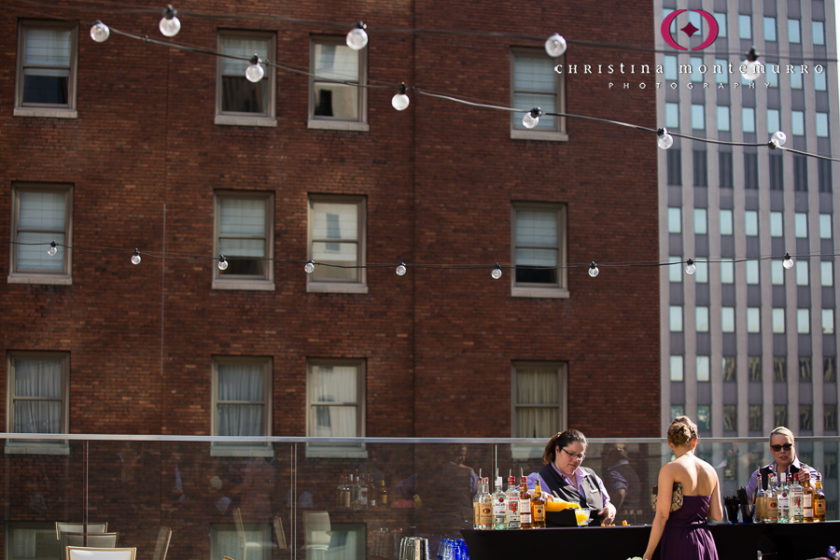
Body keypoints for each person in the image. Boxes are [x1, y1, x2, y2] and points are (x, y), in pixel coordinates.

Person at [642, 416, 722, 560]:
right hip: (705, 541)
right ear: (695, 441)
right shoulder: (710, 470)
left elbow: (662, 515)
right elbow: (717, 515)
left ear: (670, 443)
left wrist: (648, 553)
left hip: (678, 541)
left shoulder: (670, 469)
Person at [526, 429, 616, 525]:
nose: (575, 460)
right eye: (571, 454)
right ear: (557, 450)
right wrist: (530, 494)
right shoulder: (538, 479)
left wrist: (611, 510)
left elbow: (606, 503)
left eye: (579, 456)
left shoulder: (591, 475)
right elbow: (515, 500)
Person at [744, 426, 822, 502]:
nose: (782, 451)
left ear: (793, 446)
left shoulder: (809, 472)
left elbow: (817, 493)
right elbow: (745, 500)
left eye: (787, 446)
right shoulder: (759, 475)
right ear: (772, 450)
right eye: (777, 448)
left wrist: (807, 482)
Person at [602, 443, 643, 523]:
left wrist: (610, 512)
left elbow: (620, 493)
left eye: (605, 454)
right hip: (632, 517)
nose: (604, 458)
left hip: (620, 519)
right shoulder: (630, 470)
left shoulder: (615, 472)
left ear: (613, 455)